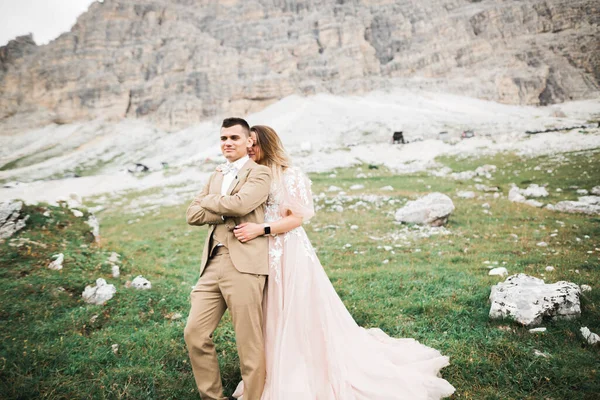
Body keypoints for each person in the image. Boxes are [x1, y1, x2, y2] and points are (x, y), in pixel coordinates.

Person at [202, 124, 456, 399]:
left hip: (286, 249)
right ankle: (270, 366)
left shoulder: (289, 175)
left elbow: (297, 217)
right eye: (246, 146)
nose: (248, 151)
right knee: (269, 312)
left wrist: (261, 229)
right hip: (258, 253)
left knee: (296, 310)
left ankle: (301, 368)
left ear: (266, 145)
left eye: (253, 146)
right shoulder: (250, 175)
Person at [184, 117, 272, 400]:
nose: (227, 143)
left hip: (245, 265)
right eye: (223, 138)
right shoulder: (216, 175)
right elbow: (191, 215)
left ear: (249, 141)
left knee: (249, 342)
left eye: (234, 138)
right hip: (212, 264)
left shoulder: (260, 174)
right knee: (195, 334)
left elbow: (242, 204)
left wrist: (209, 201)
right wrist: (223, 210)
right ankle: (212, 397)